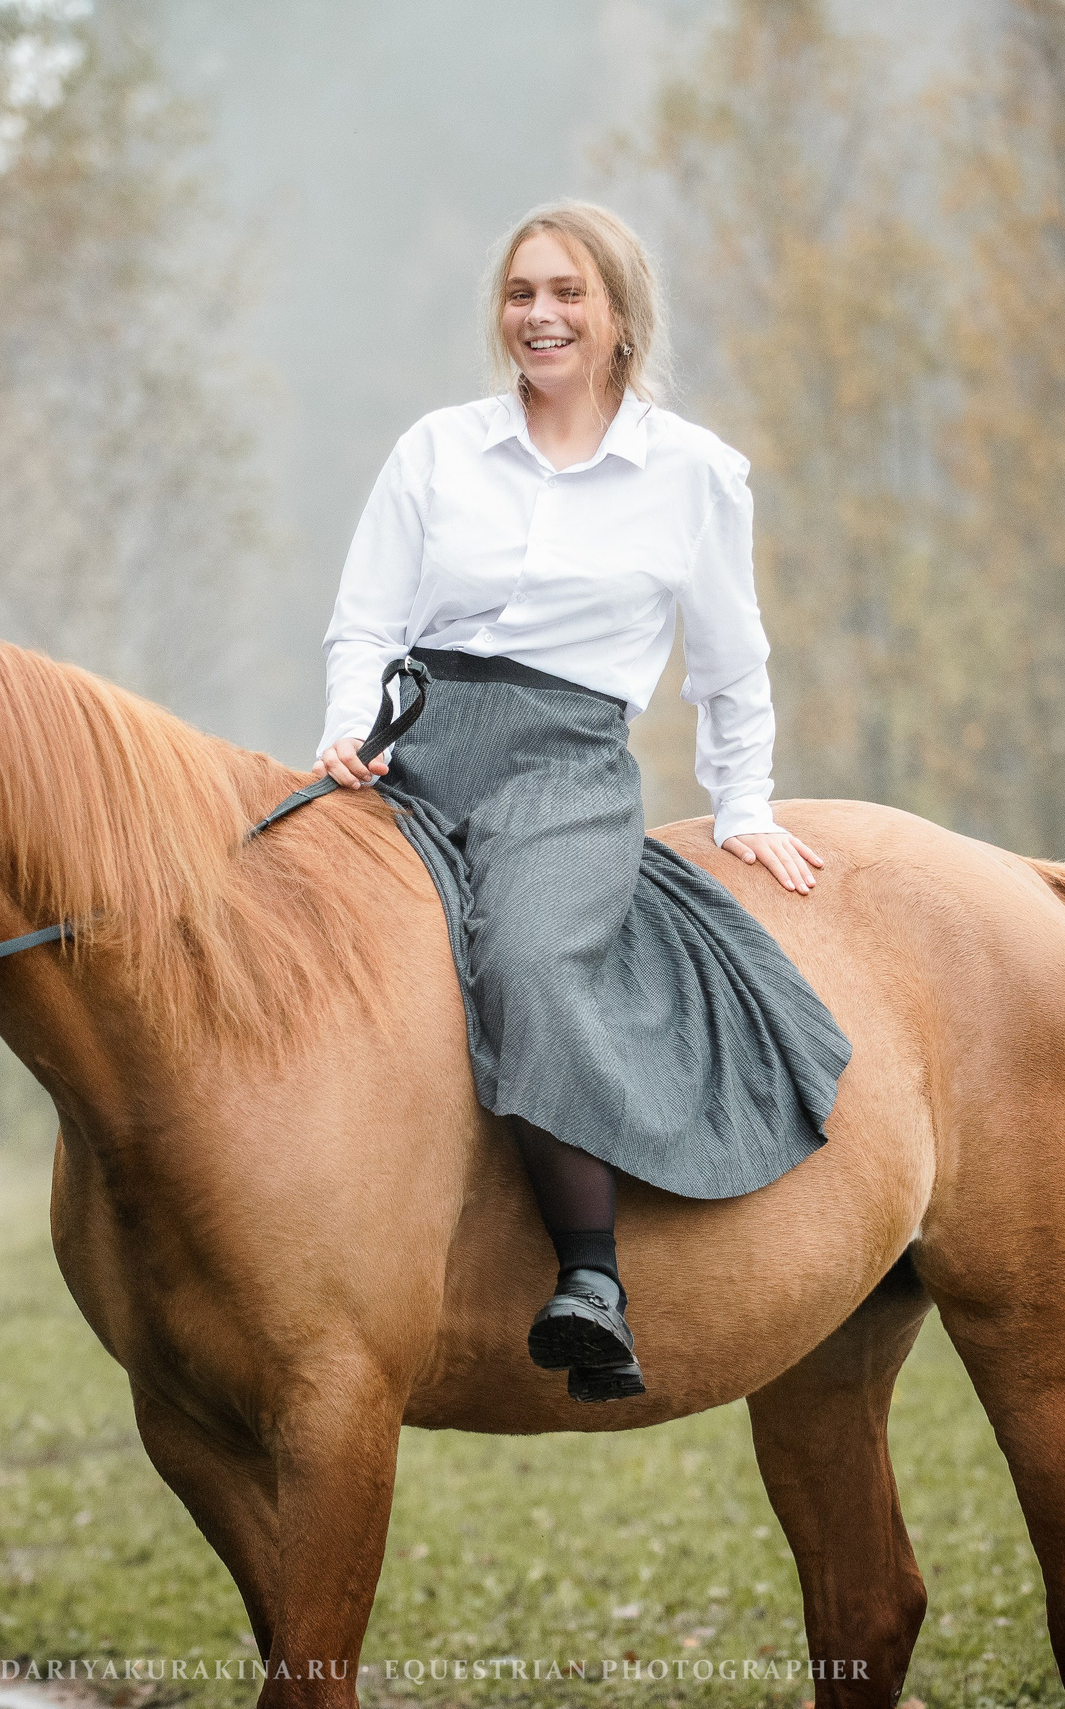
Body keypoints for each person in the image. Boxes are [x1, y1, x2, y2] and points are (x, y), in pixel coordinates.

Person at [315, 200, 841, 1403]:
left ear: (617, 318)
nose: (538, 315)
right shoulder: (438, 449)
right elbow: (366, 618)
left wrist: (744, 801)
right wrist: (348, 731)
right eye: (520, 294)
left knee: (535, 958)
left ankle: (590, 1275)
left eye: (565, 294)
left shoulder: (694, 473)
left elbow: (727, 660)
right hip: (410, 739)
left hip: (563, 763)